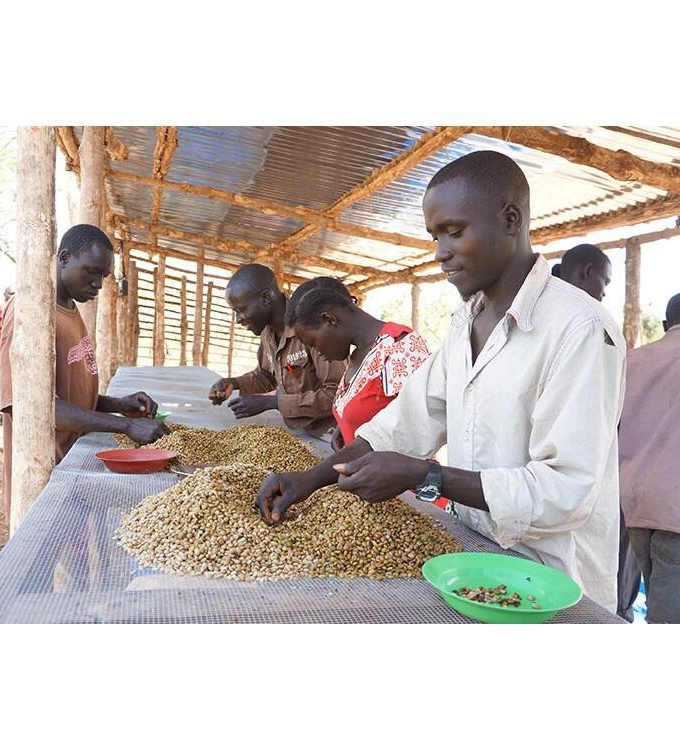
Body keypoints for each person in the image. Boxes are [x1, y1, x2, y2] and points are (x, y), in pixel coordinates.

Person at [256, 150, 626, 611]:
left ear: (511, 219)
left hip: (553, 590)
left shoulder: (580, 329)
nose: (440, 253)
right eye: (435, 236)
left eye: (454, 232)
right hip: (474, 562)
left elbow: (565, 491)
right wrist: (309, 479)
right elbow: (402, 425)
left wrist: (427, 475)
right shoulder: (463, 324)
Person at [0, 224, 169, 521]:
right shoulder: (31, 311)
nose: (98, 285)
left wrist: (117, 404)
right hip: (44, 473)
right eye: (91, 272)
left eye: (103, 276)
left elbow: (66, 391)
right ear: (64, 257)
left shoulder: (69, 307)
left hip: (71, 462)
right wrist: (126, 427)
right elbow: (31, 405)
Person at [552, 243, 640, 621]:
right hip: (571, 502)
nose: (603, 292)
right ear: (586, 271)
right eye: (603, 283)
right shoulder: (591, 324)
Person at [285, 276, 431, 452]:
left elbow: (420, 432)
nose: (316, 352)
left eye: (314, 343)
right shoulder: (356, 356)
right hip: (364, 477)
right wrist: (345, 425)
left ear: (329, 320)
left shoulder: (400, 348)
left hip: (403, 479)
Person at [208, 263, 345, 439]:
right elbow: (266, 375)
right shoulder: (268, 331)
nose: (238, 319)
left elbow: (337, 395)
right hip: (302, 431)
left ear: (265, 297)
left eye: (240, 310)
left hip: (332, 436)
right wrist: (233, 383)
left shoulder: (310, 324)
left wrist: (272, 402)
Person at [618, 293, 680, 623]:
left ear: (666, 325)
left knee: (657, 600)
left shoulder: (632, 361)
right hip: (676, 513)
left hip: (635, 505)